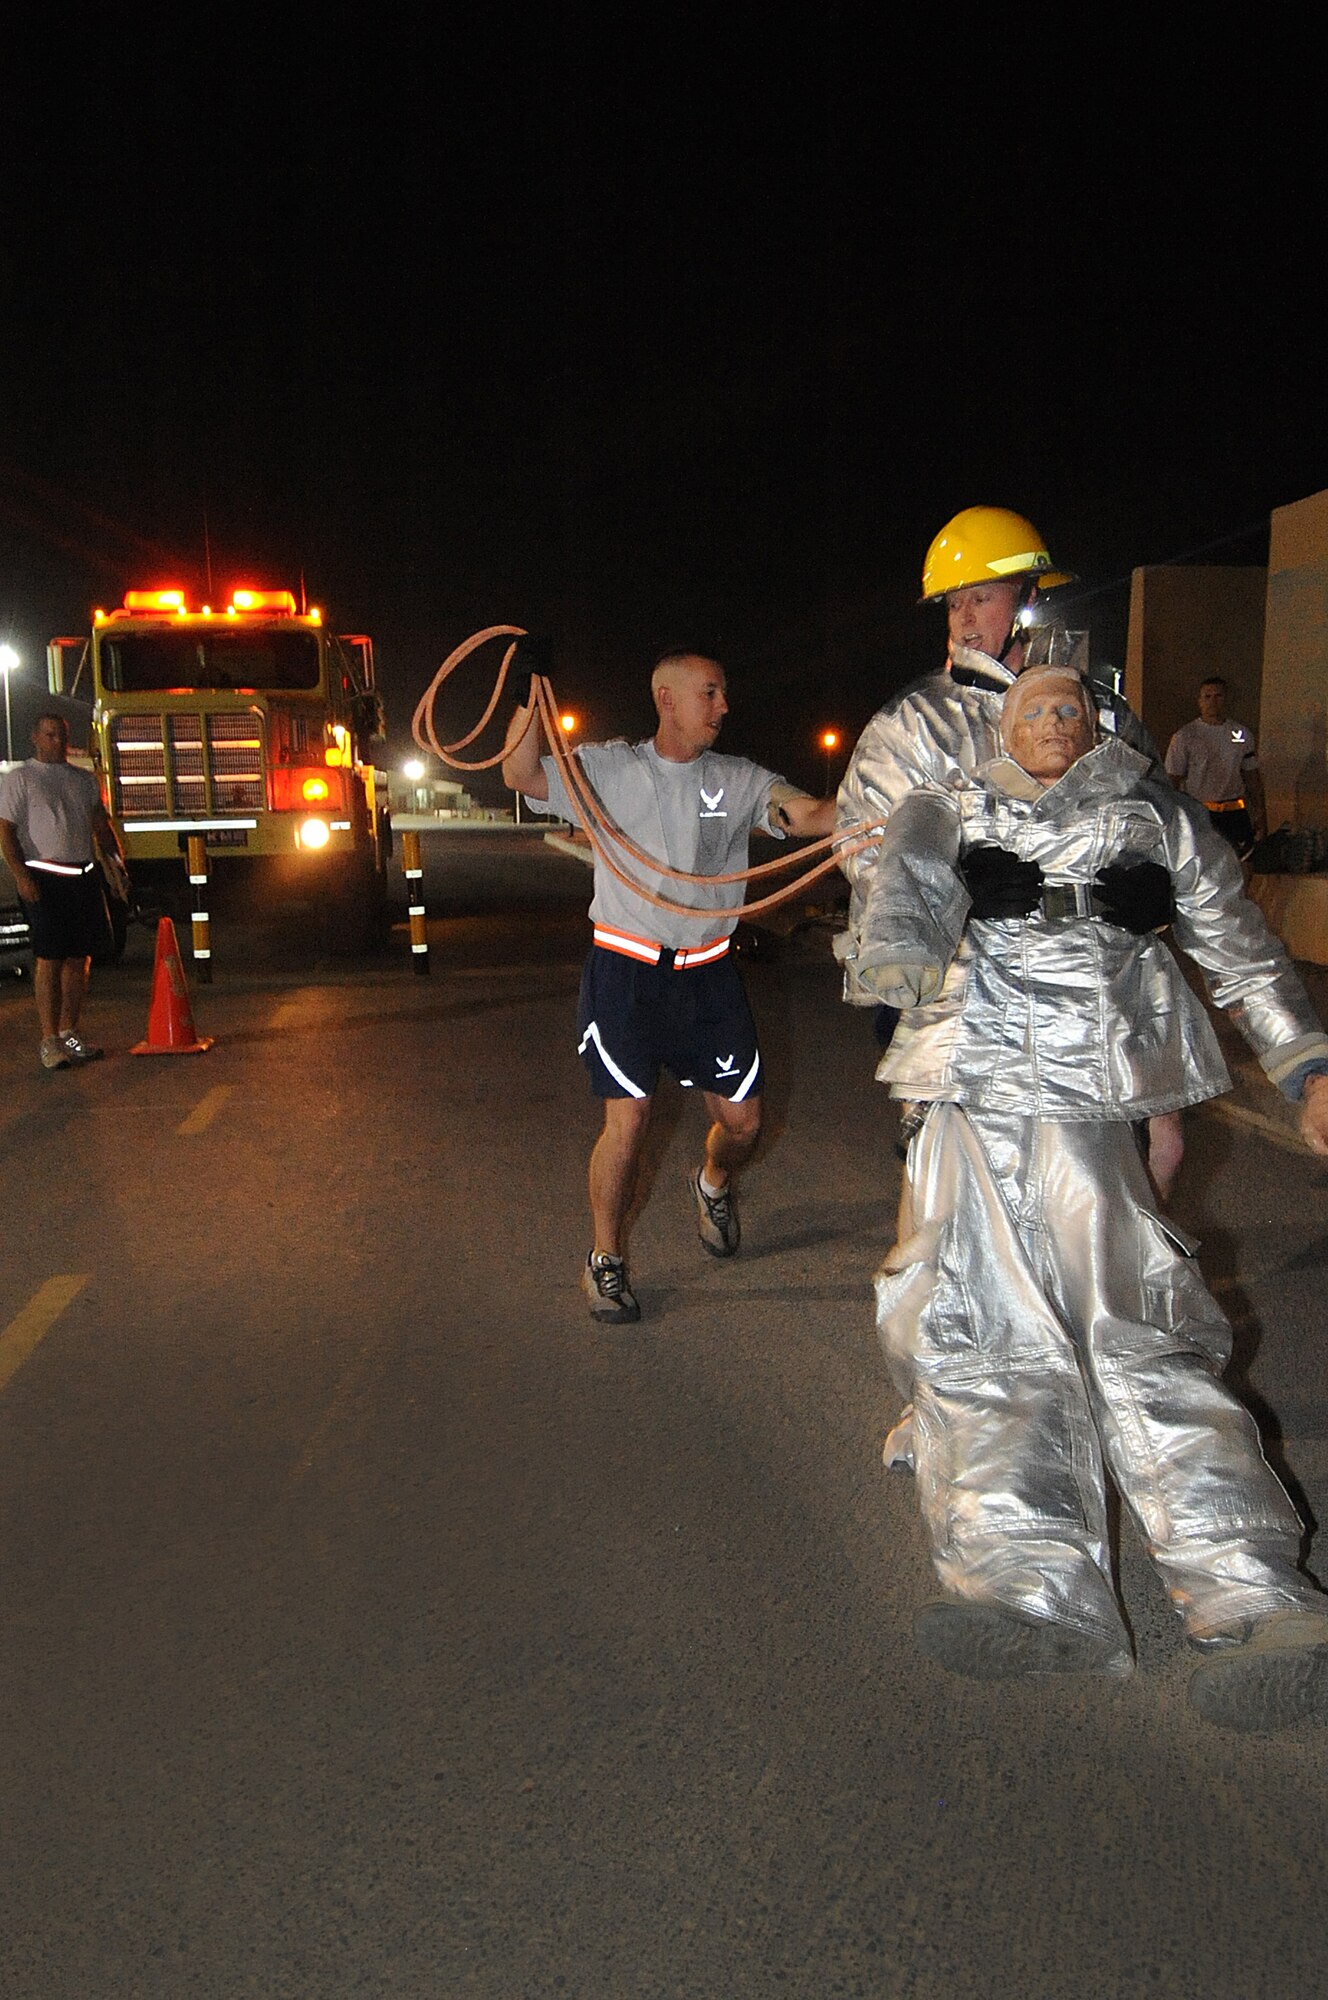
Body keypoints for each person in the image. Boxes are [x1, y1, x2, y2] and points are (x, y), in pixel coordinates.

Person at [847, 666, 1328, 1730]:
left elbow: (1237, 942)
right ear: (999, 724)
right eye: (1034, 709)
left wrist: (1304, 1066)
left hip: (1087, 1092)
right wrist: (935, 911)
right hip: (968, 1086)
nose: (1054, 721)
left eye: (1072, 707)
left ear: (1100, 719)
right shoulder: (944, 798)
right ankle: (1026, 1590)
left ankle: (1254, 1596)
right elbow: (891, 911)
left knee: (1137, 1330)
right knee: (974, 1337)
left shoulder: (1151, 807)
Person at [837, 504, 1185, 1200]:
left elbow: (1159, 821)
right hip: (959, 979)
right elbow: (864, 844)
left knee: (1162, 1147)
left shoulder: (1100, 714)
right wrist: (954, 891)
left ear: (1030, 598)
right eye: (954, 604)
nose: (966, 618)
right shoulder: (913, 724)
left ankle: (1125, 1290)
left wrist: (1157, 887)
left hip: (1086, 972)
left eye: (982, 598)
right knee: (947, 1172)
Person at [501, 649, 835, 1323]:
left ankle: (712, 1181)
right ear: (667, 700)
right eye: (710, 693)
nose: (723, 706)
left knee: (743, 1124)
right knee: (628, 1123)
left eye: (722, 693)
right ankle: (606, 1261)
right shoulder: (609, 768)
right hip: (624, 971)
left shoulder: (738, 780)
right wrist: (525, 697)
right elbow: (520, 773)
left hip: (707, 975)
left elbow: (807, 816)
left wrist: (886, 799)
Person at [0, 713, 127, 1072]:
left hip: (82, 875)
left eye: (61, 736)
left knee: (79, 959)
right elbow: (6, 832)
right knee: (50, 958)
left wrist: (116, 864)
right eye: (49, 735)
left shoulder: (83, 780)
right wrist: (21, 876)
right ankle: (49, 1039)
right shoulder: (19, 779)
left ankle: (71, 1033)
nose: (56, 741)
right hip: (44, 876)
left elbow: (100, 826)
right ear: (35, 737)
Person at [1165, 675, 1267, 860]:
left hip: (1233, 810)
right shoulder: (1185, 736)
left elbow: (1251, 775)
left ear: (1227, 699)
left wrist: (1260, 812)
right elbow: (1173, 778)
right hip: (1200, 812)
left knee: (1243, 861)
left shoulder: (1240, 734)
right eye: (1207, 697)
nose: (1213, 702)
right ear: (1200, 701)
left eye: (1218, 696)